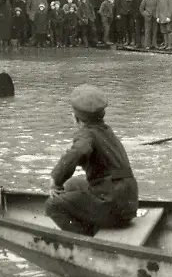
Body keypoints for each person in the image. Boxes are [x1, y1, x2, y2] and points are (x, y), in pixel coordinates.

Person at [44, 84, 139, 235]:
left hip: (112, 206)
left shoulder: (85, 134)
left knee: (52, 205)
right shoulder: (106, 131)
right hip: (129, 204)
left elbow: (79, 151)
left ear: (75, 118)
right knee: (71, 184)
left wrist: (55, 179)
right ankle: (91, 221)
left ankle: (86, 237)